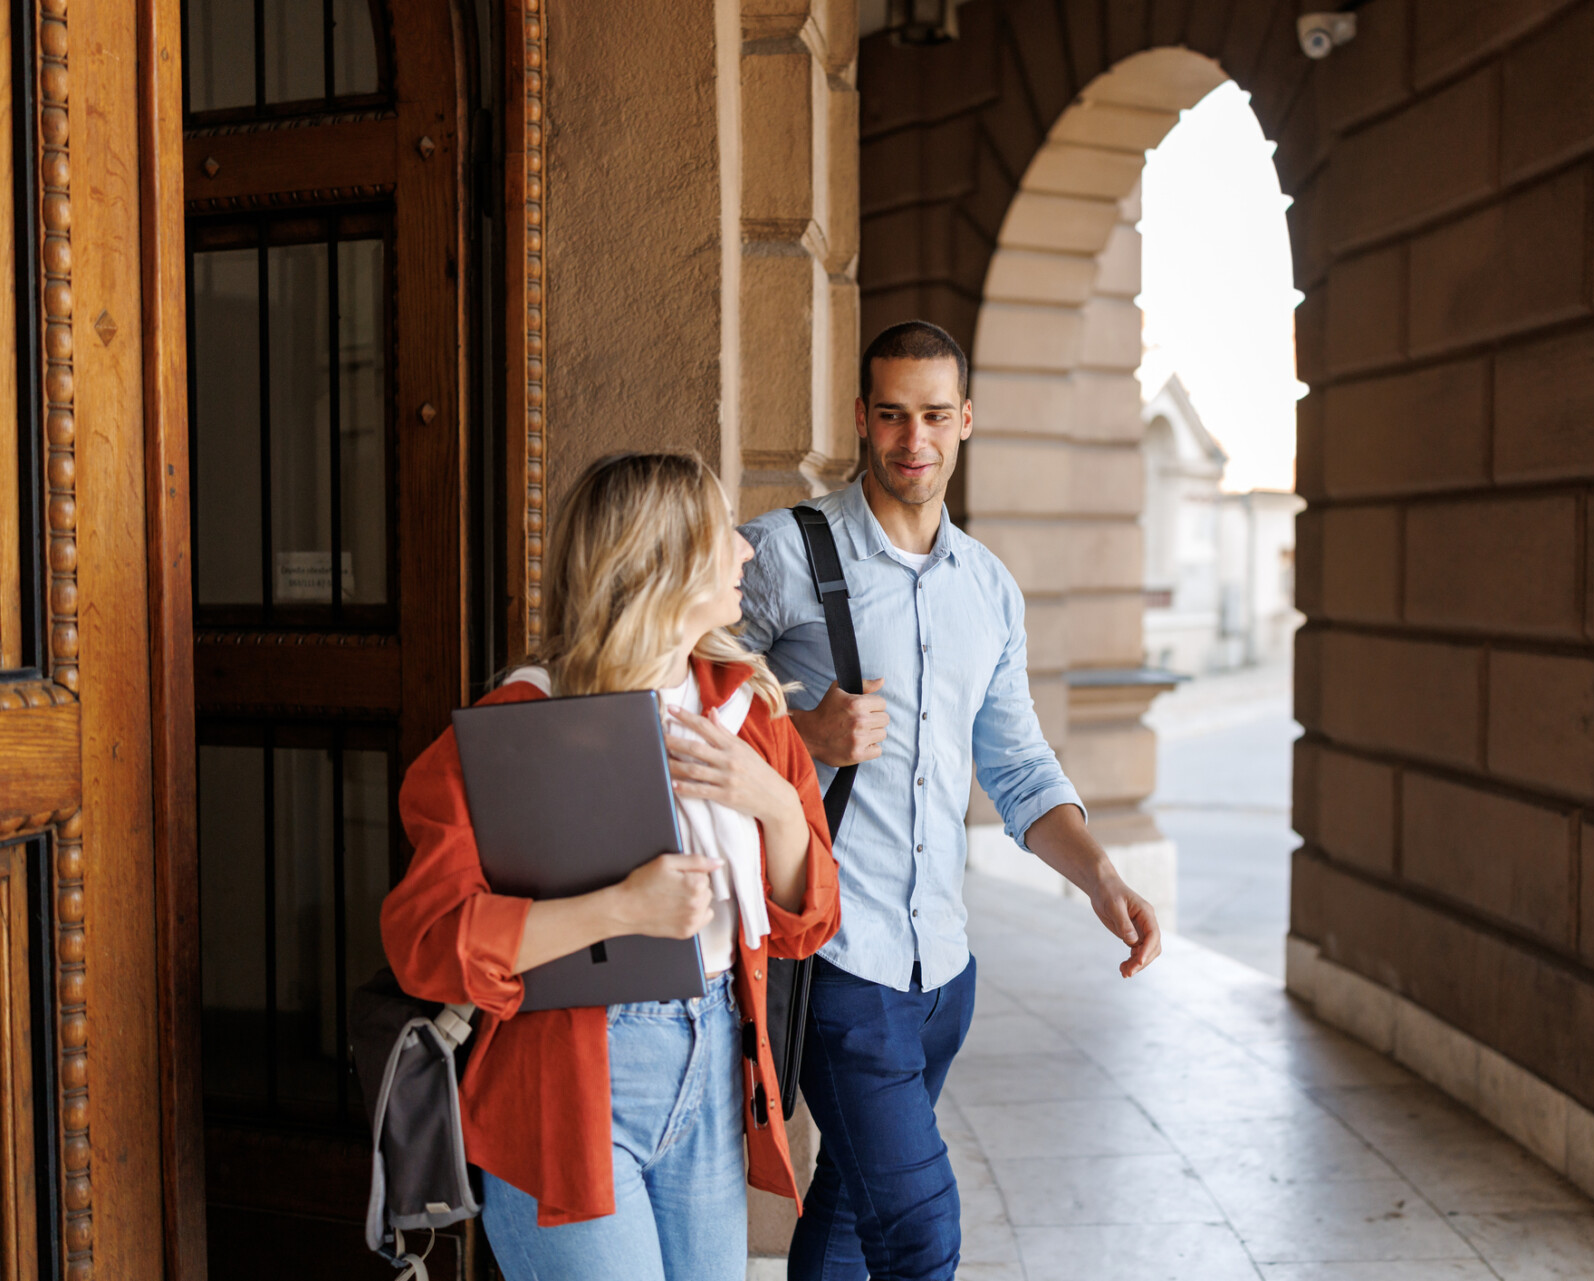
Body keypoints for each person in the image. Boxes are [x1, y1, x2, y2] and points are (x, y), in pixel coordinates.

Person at [737, 320, 1165, 1281]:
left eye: (934, 414)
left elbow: (1017, 767)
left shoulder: (990, 589)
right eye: (891, 414)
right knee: (921, 1232)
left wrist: (1101, 877)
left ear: (965, 419)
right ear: (861, 417)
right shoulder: (779, 555)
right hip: (842, 961)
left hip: (945, 976)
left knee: (851, 1207)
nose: (912, 439)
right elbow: (684, 716)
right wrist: (805, 737)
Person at [381, 452, 841, 1281]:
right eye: (721, 533)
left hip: (712, 1058)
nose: (746, 550)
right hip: (569, 1080)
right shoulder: (517, 727)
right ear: (659, 561)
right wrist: (625, 908)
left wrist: (771, 801)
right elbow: (427, 941)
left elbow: (810, 922)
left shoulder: (750, 709)